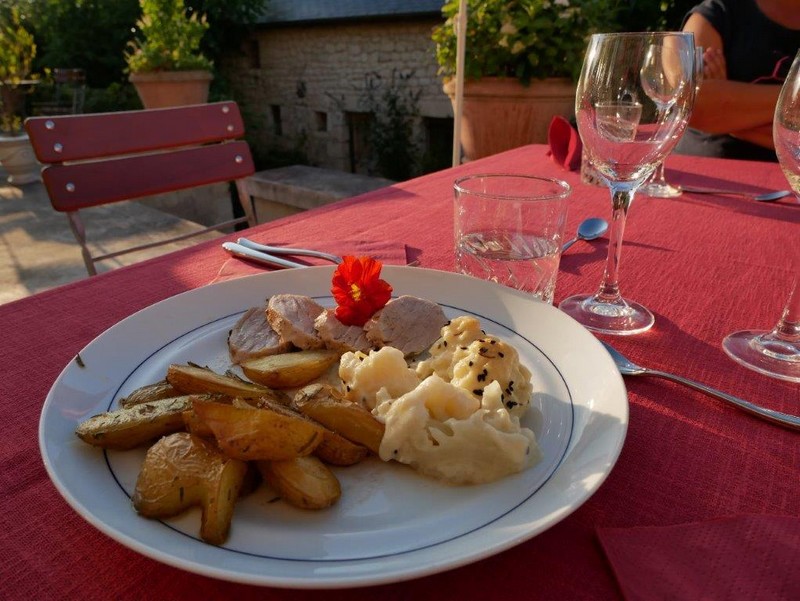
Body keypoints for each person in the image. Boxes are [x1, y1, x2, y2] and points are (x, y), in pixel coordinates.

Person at [676, 0, 800, 161]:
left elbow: (708, 110)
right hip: (705, 173)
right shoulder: (717, 13)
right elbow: (693, 104)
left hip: (789, 180)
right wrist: (794, 101)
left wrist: (726, 115)